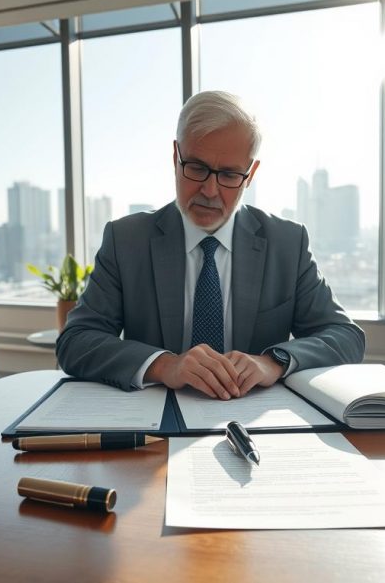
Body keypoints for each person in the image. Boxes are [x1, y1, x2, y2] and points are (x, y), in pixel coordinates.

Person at [56, 91, 364, 399]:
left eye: (229, 174)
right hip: (155, 427)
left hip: (256, 426)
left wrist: (272, 362)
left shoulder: (287, 242)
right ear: (176, 157)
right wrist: (165, 365)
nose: (210, 190)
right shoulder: (126, 240)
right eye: (197, 168)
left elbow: (346, 337)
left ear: (250, 174)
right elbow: (75, 341)